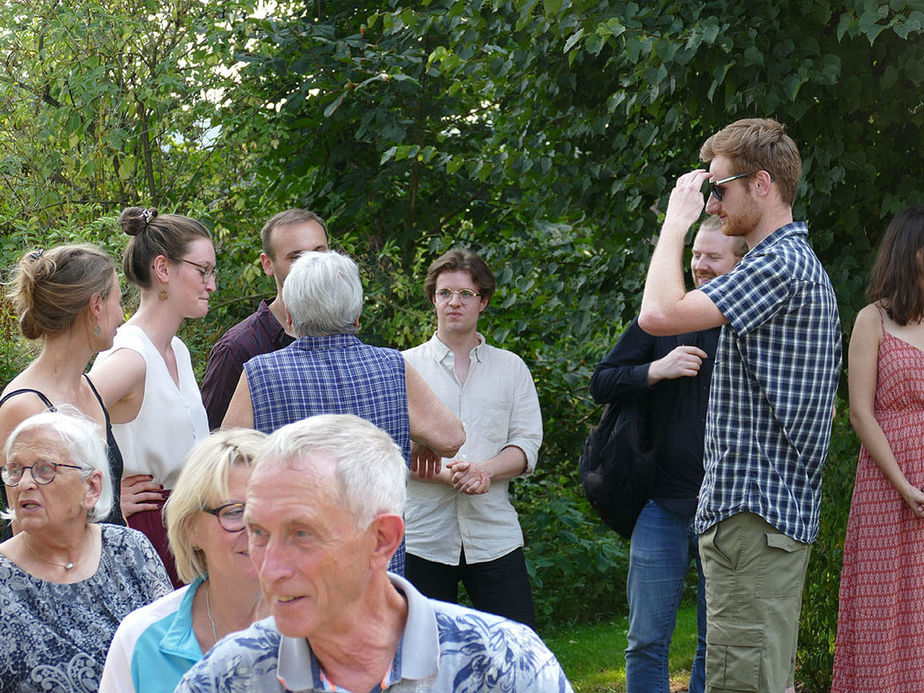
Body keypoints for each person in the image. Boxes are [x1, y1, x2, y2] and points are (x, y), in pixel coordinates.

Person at [638, 118, 841, 693]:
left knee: (744, 683)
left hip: (754, 517)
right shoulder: (776, 263)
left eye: (718, 188)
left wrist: (675, 225)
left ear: (762, 184)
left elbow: (657, 316)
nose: (710, 203)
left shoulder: (778, 265)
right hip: (759, 519)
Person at [176, 414, 573, 692]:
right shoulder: (226, 678)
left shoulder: (502, 665)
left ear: (382, 539)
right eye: (258, 532)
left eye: (301, 533)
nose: (271, 568)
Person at [222, 250, 466, 575]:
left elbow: (221, 468)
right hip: (376, 562)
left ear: (291, 317)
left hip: (292, 564)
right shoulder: (391, 366)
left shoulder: (260, 373)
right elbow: (451, 438)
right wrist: (418, 442)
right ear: (357, 317)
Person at [591, 217, 746, 693]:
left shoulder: (751, 322)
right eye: (696, 254)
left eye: (712, 257)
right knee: (645, 640)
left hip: (727, 509)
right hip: (661, 503)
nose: (699, 265)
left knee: (714, 641)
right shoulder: (663, 317)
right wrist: (655, 370)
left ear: (741, 263)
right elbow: (602, 381)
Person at [402, 248, 543, 628]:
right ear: (433, 298)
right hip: (423, 538)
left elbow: (527, 445)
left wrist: (484, 471)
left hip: (494, 536)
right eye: (446, 292)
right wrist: (449, 475)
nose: (454, 302)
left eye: (466, 294)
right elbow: (388, 451)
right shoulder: (404, 367)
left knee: (516, 645)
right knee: (421, 655)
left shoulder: (511, 368)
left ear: (483, 301)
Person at [0, 410, 171, 692]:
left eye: (44, 469)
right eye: (15, 470)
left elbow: (171, 648)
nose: (24, 484)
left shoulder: (130, 550)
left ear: (91, 487)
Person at [91, 206, 214, 587]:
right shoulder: (130, 355)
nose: (211, 285)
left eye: (212, 272)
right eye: (203, 271)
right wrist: (102, 502)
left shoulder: (177, 349)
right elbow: (56, 424)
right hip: (145, 533)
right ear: (163, 270)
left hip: (187, 528)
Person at [831, 205, 924, 691]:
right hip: (889, 484)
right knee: (884, 605)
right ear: (912, 253)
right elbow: (860, 413)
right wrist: (905, 484)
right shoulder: (874, 320)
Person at [100, 428, 269, 693]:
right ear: (191, 528)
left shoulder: (325, 628)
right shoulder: (141, 640)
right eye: (235, 512)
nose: (255, 527)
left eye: (268, 509)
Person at [0, 244, 126, 537]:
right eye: (118, 302)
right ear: (96, 305)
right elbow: (24, 531)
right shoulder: (24, 407)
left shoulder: (89, 387)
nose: (122, 315)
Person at [200, 209, 330, 429]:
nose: (311, 265)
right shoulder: (237, 348)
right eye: (296, 257)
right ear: (267, 264)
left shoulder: (341, 331)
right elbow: (214, 446)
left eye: (319, 252)